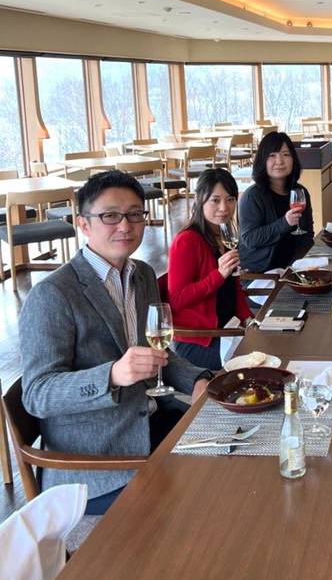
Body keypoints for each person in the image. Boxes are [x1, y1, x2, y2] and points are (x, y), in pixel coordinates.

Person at [20, 170, 212, 515]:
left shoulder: (142, 275)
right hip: (95, 465)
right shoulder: (52, 295)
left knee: (239, 451)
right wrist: (110, 375)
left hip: (150, 425)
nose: (125, 225)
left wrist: (197, 380)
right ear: (83, 224)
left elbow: (156, 353)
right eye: (110, 215)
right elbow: (37, 394)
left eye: (135, 214)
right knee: (210, 499)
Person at [167, 167, 252, 370]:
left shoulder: (224, 234)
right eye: (215, 200)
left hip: (227, 329)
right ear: (200, 201)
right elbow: (176, 300)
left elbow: (233, 285)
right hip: (199, 340)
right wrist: (218, 275)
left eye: (230, 199)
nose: (224, 207)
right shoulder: (186, 241)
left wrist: (248, 319)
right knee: (262, 358)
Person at [238, 131, 314, 273]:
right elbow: (250, 239)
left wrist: (296, 266)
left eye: (285, 154)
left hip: (293, 269)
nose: (279, 161)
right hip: (261, 273)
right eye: (272, 155)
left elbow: (307, 235)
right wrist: (285, 223)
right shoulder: (252, 196)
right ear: (262, 160)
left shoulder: (300, 192)